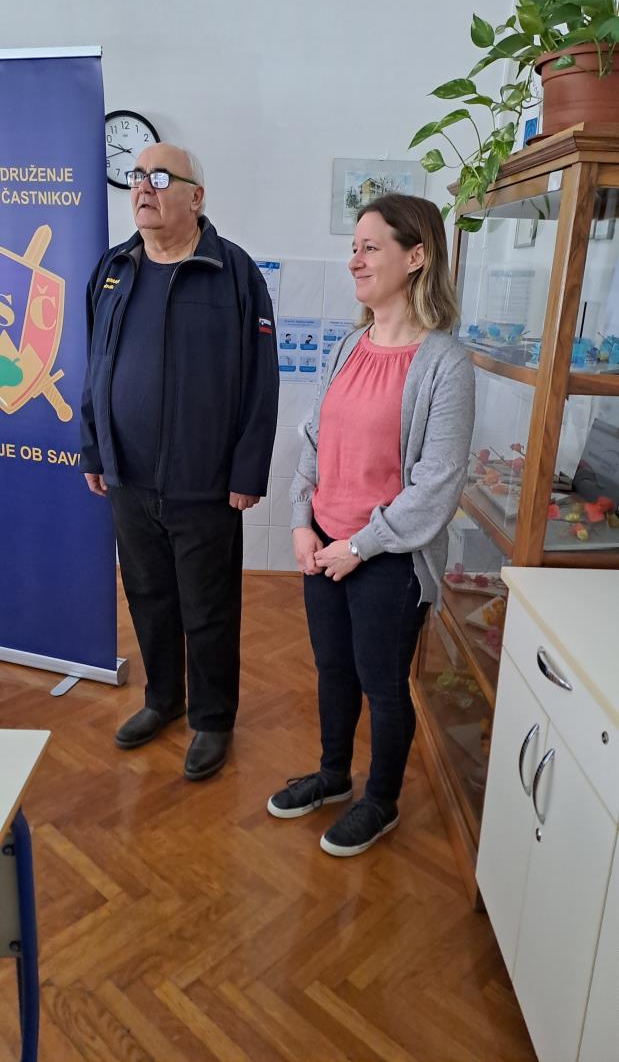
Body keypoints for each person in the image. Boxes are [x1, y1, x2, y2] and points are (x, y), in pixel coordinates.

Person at [267, 194, 474, 855]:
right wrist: (301, 522)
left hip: (388, 558)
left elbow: (437, 484)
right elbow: (315, 440)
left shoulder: (445, 363)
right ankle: (332, 776)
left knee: (382, 685)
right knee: (333, 669)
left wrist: (358, 546)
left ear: (416, 257)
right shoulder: (348, 346)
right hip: (325, 544)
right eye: (352, 248)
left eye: (369, 248)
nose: (353, 260)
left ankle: (380, 801)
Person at [80, 143, 278, 780]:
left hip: (205, 484)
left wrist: (248, 471)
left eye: (160, 177)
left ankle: (212, 720)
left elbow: (261, 382)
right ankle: (163, 699)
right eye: (137, 176)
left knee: (209, 608)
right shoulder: (112, 270)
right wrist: (93, 447)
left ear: (196, 197)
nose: (144, 187)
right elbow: (95, 369)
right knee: (148, 597)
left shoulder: (234, 273)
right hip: (128, 480)